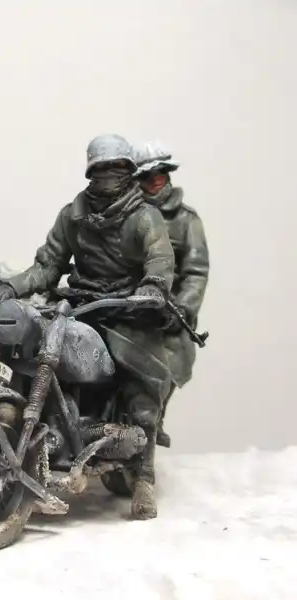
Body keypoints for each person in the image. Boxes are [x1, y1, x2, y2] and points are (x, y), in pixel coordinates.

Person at [0, 133, 176, 520]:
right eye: (101, 168)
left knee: (143, 384)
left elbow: (159, 258)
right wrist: (13, 286)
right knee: (32, 349)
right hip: (80, 304)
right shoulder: (72, 215)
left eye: (117, 168)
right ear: (90, 171)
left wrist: (153, 287)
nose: (108, 175)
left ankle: (144, 477)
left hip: (127, 310)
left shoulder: (145, 216)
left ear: (129, 171)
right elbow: (48, 265)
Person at [132, 141, 210, 448]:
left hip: (169, 312)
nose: (155, 181)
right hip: (129, 304)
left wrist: (184, 307)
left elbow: (196, 272)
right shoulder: (128, 216)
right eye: (147, 176)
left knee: (168, 363)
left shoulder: (186, 220)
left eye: (160, 173)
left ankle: (154, 417)